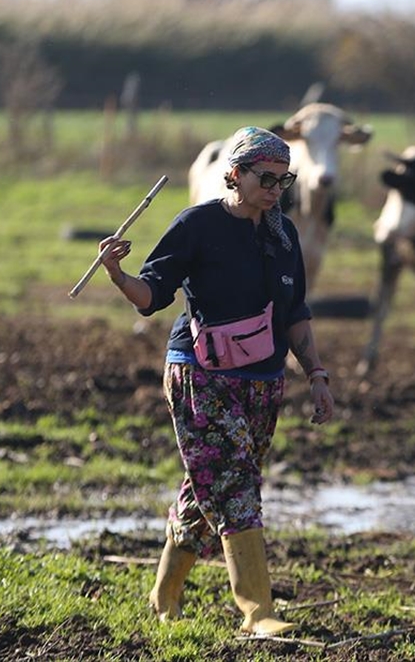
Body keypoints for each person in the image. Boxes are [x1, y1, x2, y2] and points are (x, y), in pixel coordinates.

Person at [97, 126, 334, 635]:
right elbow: (151, 295)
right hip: (200, 375)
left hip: (264, 379)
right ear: (234, 174)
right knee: (234, 482)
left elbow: (295, 312)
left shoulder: (283, 232)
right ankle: (258, 611)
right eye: (264, 177)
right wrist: (117, 275)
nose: (274, 188)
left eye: (282, 179)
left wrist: (315, 372)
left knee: (209, 487)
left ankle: (163, 598)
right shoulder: (197, 225)